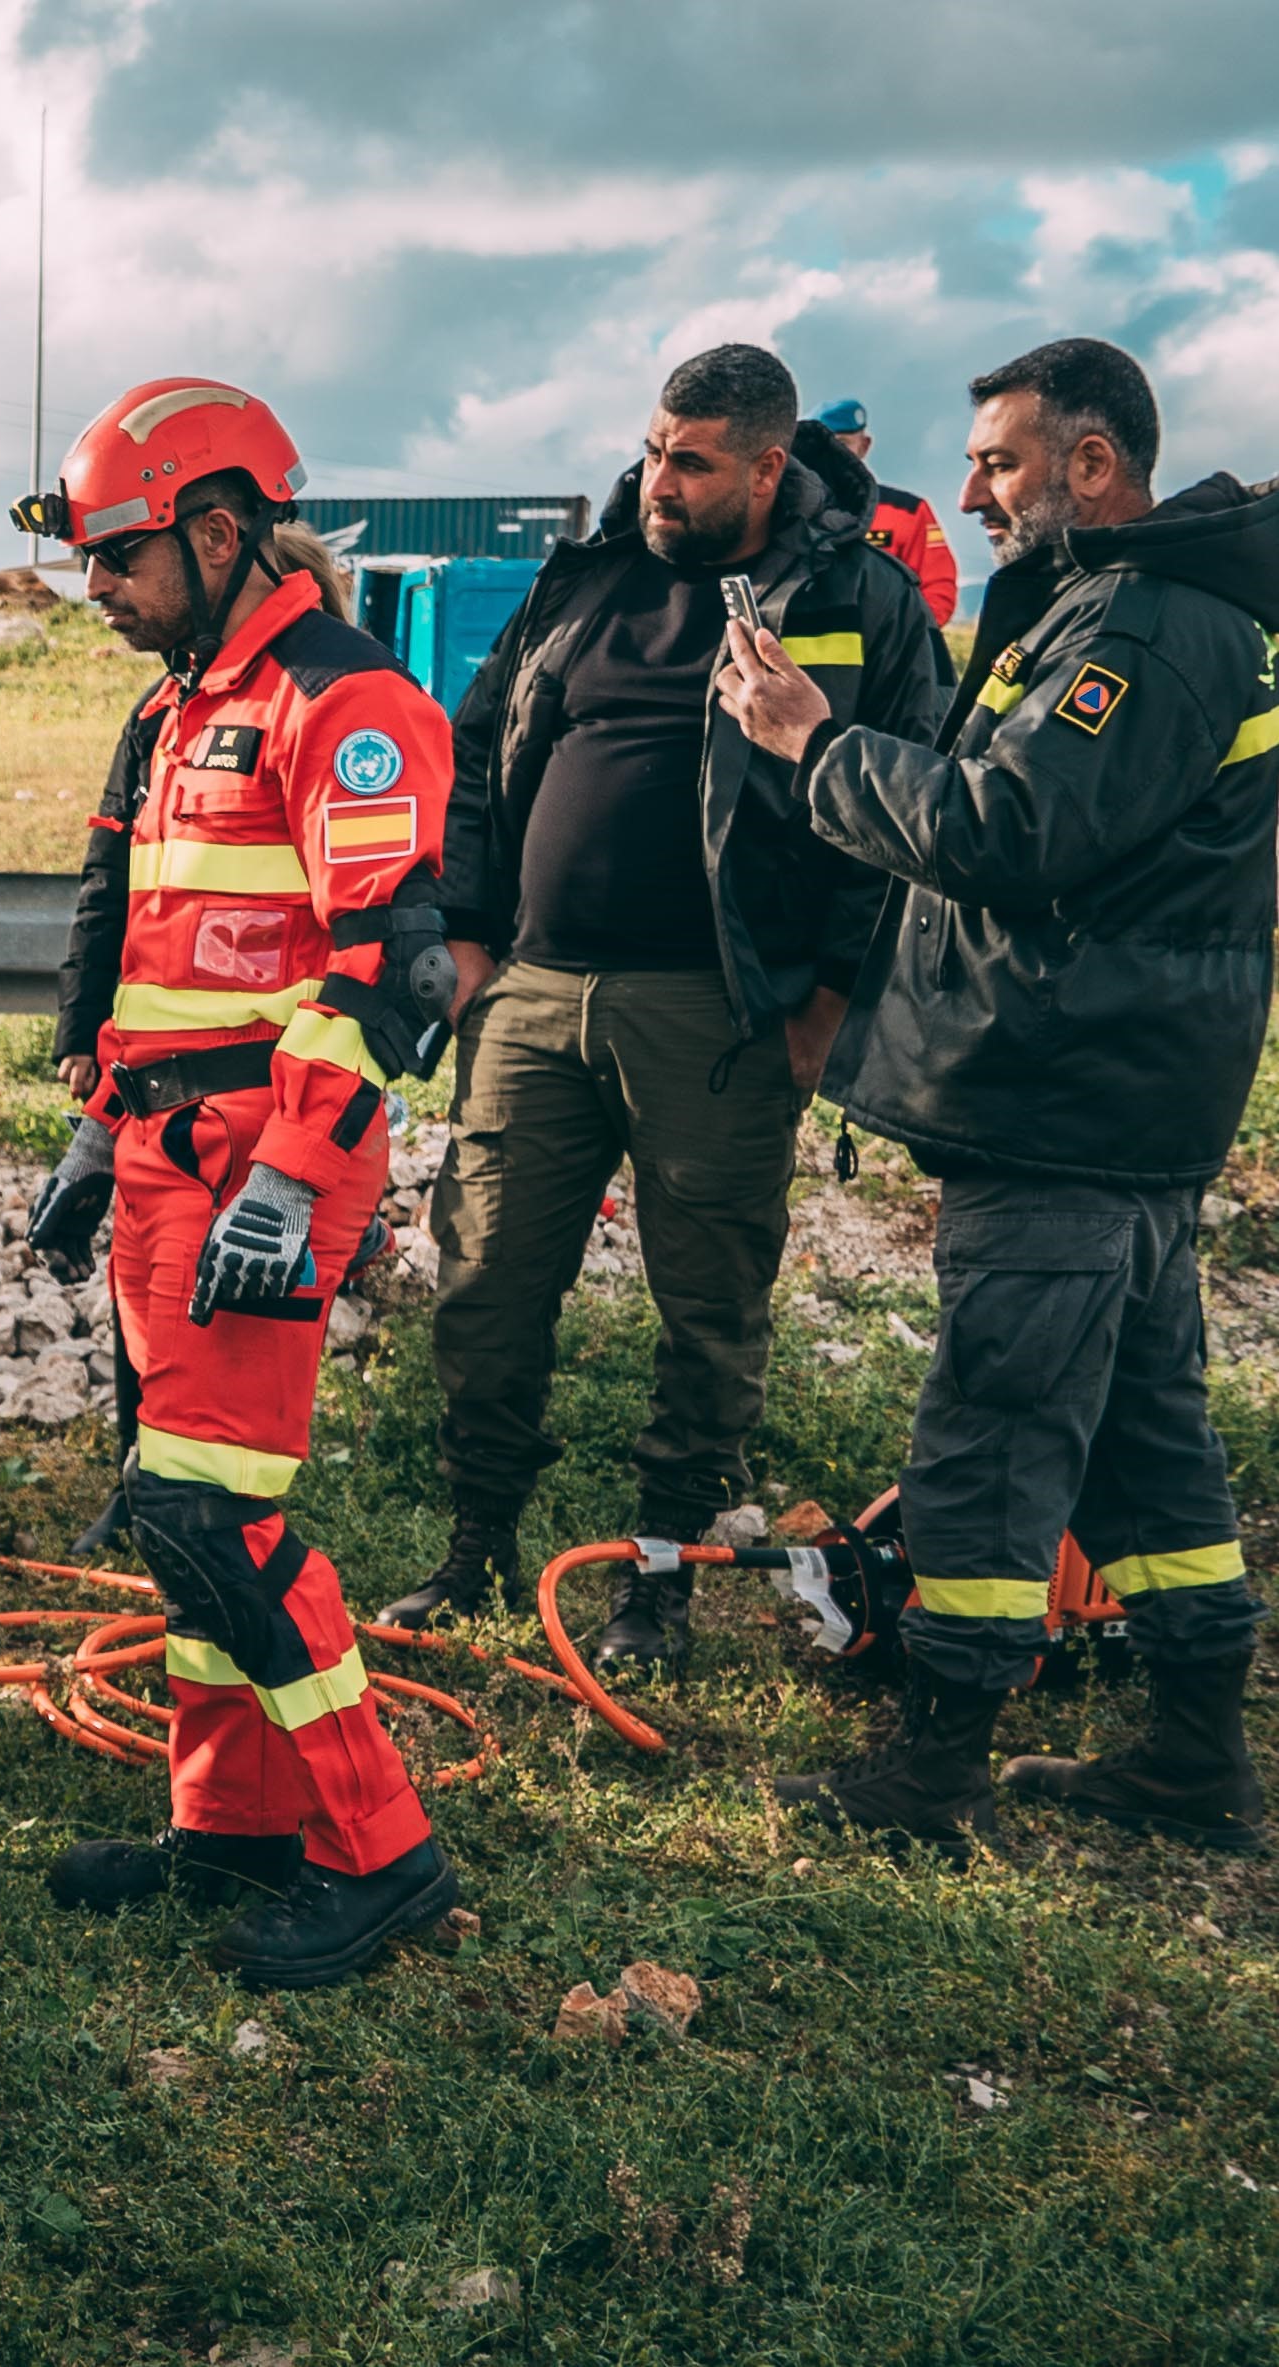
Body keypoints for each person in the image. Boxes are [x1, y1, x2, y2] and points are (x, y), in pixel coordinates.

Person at [722, 338, 1277, 1854]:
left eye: (998, 463)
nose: (963, 492)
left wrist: (813, 746)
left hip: (1064, 1113)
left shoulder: (1148, 632)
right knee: (1142, 1438)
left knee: (993, 1428)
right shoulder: (1137, 607)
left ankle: (933, 1767)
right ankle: (1189, 1757)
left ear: (1090, 465)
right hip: (1117, 1107)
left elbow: (1011, 829)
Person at [12, 378, 464, 1987]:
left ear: (215, 530)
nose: (99, 589)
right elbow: (147, 951)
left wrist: (288, 1177)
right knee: (179, 1516)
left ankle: (382, 1848)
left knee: (217, 1514)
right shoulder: (182, 699)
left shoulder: (340, 705)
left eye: (119, 556)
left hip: (256, 1167)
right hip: (161, 1152)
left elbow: (387, 971)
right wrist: (92, 1128)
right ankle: (229, 1823)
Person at [398, 346, 949, 1666]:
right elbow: (473, 753)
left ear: (767, 468)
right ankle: (476, 1548)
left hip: (719, 1014)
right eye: (652, 448)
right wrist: (469, 933)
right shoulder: (582, 580)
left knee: (706, 1310)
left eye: (690, 460)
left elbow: (899, 806)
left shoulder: (859, 598)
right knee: (482, 1283)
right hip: (531, 993)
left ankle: (656, 1578)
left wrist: (822, 996)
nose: (658, 478)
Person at [817, 397, 961, 628]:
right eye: (825, 445)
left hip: (891, 654)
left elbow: (938, 589)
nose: (833, 454)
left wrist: (905, 639)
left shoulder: (909, 512)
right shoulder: (791, 510)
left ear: (864, 446)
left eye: (842, 444)